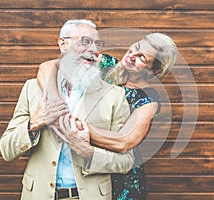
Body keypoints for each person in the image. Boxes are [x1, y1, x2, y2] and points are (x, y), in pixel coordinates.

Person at [0, 19, 134, 200]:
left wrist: (89, 153)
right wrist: (33, 124)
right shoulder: (32, 89)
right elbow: (7, 150)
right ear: (63, 44)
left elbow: (126, 161)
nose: (94, 50)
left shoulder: (114, 96)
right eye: (85, 41)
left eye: (97, 44)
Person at [38, 32, 178, 199]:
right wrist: (54, 101)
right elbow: (49, 67)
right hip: (86, 178)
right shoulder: (104, 63)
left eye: (142, 57)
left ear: (155, 71)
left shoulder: (148, 100)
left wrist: (75, 127)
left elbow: (124, 141)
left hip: (122, 183)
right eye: (136, 47)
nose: (132, 55)